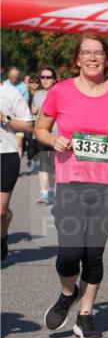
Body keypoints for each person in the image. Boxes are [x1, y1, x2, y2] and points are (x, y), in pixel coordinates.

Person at [34, 34, 108, 338]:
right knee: (69, 253)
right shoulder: (61, 91)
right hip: (71, 180)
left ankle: (85, 315)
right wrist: (53, 138)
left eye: (98, 53)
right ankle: (69, 293)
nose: (93, 58)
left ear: (107, 60)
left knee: (93, 253)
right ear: (78, 60)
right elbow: (40, 128)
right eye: (86, 53)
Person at [1, 74, 35, 262]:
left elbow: (29, 126)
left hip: (5, 154)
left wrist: (4, 118)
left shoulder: (10, 93)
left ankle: (2, 236)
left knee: (1, 211)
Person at [32, 67, 57, 205]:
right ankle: (44, 194)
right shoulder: (38, 94)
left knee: (53, 166)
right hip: (40, 135)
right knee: (42, 164)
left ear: (54, 79)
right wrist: (34, 111)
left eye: (48, 77)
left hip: (56, 135)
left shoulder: (60, 93)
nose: (45, 80)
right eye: (43, 77)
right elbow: (35, 113)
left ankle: (51, 191)